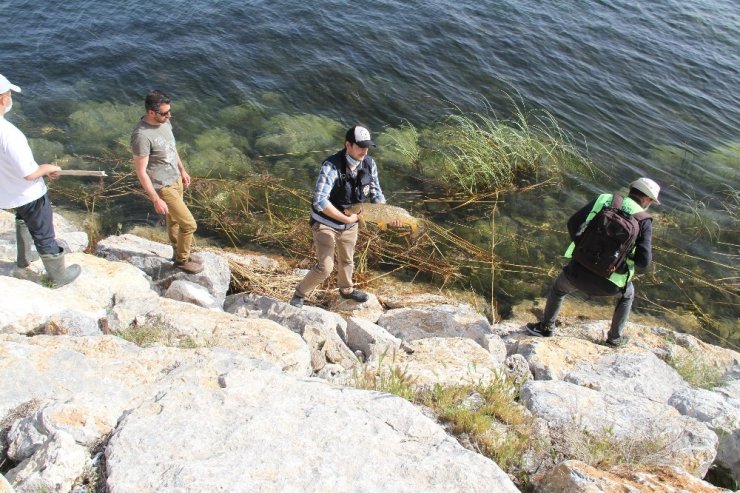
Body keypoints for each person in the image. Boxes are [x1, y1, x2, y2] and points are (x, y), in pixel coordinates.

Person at [526, 178, 661, 346]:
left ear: (632, 189)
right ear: (647, 199)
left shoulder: (606, 199)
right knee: (627, 296)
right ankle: (614, 339)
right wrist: (623, 257)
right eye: (652, 201)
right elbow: (644, 261)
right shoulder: (644, 221)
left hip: (576, 273)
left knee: (558, 289)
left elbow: (573, 223)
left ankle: (545, 328)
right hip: (610, 285)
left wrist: (583, 245)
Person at [290, 125, 395, 308]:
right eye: (360, 146)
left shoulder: (370, 164)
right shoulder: (331, 166)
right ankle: (299, 294)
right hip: (325, 222)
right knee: (326, 267)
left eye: (367, 146)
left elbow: (377, 195)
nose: (364, 150)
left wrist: (386, 214)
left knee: (347, 260)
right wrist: (345, 219)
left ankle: (346, 291)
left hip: (351, 223)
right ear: (348, 145)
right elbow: (319, 201)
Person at [0, 74, 81, 287]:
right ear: (2, 100)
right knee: (44, 232)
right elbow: (29, 173)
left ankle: (24, 257)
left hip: (6, 192)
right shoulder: (9, 134)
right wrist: (48, 168)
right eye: (8, 94)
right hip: (28, 193)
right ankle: (58, 277)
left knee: (22, 217)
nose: (10, 99)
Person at [131, 90, 202, 274]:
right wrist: (155, 199)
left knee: (174, 220)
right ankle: (182, 260)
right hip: (163, 186)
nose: (169, 116)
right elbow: (141, 172)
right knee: (189, 224)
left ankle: (177, 252)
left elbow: (172, 148)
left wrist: (182, 170)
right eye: (164, 113)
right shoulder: (141, 136)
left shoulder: (165, 122)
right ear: (151, 112)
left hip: (176, 178)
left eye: (169, 111)